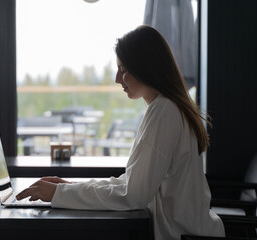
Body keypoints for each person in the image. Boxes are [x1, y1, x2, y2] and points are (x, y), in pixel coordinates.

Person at [16, 25, 225, 239]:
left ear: (145, 67)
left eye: (123, 70)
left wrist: (60, 194)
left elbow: (132, 195)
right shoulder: (165, 108)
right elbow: (131, 183)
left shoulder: (165, 112)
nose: (117, 79)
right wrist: (71, 188)